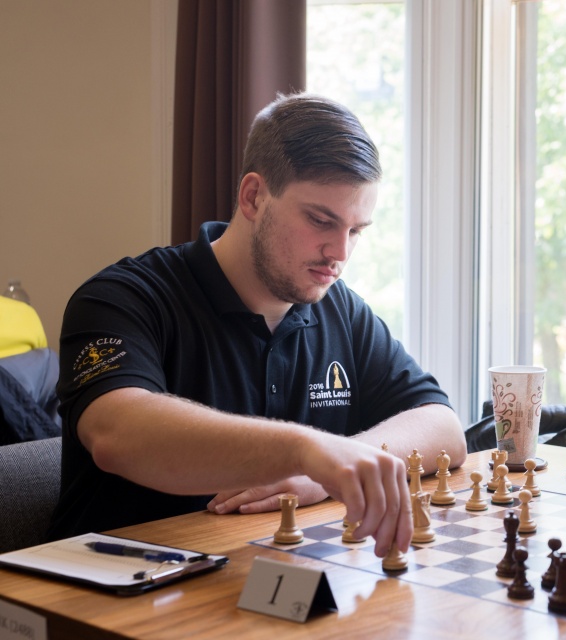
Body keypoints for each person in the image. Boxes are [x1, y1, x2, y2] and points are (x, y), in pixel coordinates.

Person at [49, 93, 467, 558]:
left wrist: (326, 470)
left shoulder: (340, 310)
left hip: (260, 579)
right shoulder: (122, 297)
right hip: (109, 593)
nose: (339, 254)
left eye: (355, 231)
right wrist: (306, 449)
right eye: (320, 220)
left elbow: (443, 427)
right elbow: (117, 435)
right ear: (253, 196)